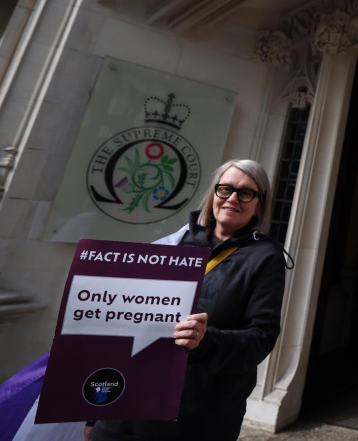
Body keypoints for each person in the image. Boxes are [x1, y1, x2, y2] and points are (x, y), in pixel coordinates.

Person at [88, 159, 288, 441]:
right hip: (123, 412)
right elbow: (126, 327)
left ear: (259, 203)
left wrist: (205, 341)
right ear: (213, 194)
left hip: (194, 421)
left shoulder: (265, 258)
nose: (232, 198)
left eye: (245, 193)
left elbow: (261, 339)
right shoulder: (176, 244)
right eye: (225, 189)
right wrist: (95, 410)